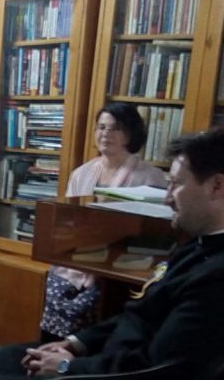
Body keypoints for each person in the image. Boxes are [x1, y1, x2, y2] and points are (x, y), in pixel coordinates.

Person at [0, 126, 224, 380]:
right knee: (6, 358)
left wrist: (68, 368)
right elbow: (141, 313)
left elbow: (157, 372)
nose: (168, 198)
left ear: (217, 186)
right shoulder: (207, 242)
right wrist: (76, 343)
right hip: (114, 365)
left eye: (176, 185)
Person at [40, 103, 168, 341]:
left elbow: (155, 233)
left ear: (130, 134)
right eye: (101, 127)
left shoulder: (151, 177)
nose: (105, 134)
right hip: (79, 256)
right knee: (56, 284)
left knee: (101, 300)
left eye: (114, 128)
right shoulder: (81, 173)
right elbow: (68, 221)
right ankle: (49, 352)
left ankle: (81, 351)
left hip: (123, 265)